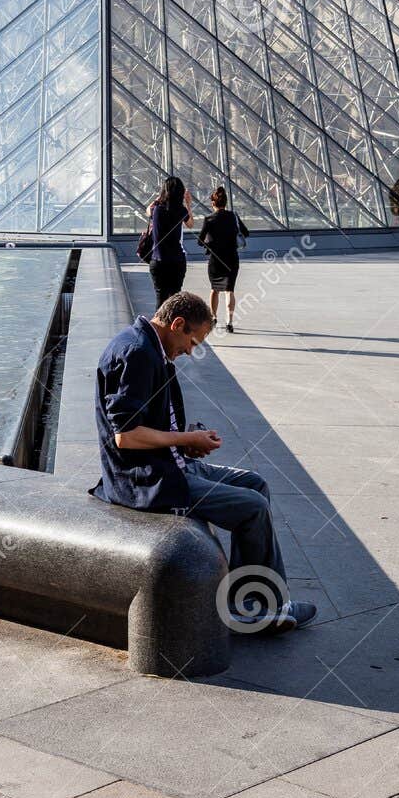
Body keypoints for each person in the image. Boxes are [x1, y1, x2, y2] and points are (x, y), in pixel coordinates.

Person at [93, 290, 316, 633]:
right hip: (144, 480)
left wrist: (188, 441)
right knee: (253, 506)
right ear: (177, 324)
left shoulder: (149, 345)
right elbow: (126, 436)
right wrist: (184, 440)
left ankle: (248, 598)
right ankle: (262, 610)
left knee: (255, 483)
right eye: (192, 342)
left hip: (169, 462)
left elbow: (148, 424)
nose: (190, 351)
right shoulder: (137, 353)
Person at [198, 186, 249, 333]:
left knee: (214, 290)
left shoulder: (209, 219)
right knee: (229, 290)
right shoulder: (233, 216)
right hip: (232, 258)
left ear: (213, 203)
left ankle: (213, 317)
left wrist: (210, 241)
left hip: (215, 260)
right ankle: (229, 322)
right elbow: (245, 232)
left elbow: (200, 240)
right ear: (225, 202)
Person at [145, 175, 193, 308]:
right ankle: (173, 327)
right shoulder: (181, 210)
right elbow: (190, 224)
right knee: (175, 298)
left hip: (158, 260)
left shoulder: (156, 209)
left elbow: (147, 209)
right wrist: (188, 204)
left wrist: (160, 196)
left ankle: (158, 327)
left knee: (160, 298)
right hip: (177, 260)